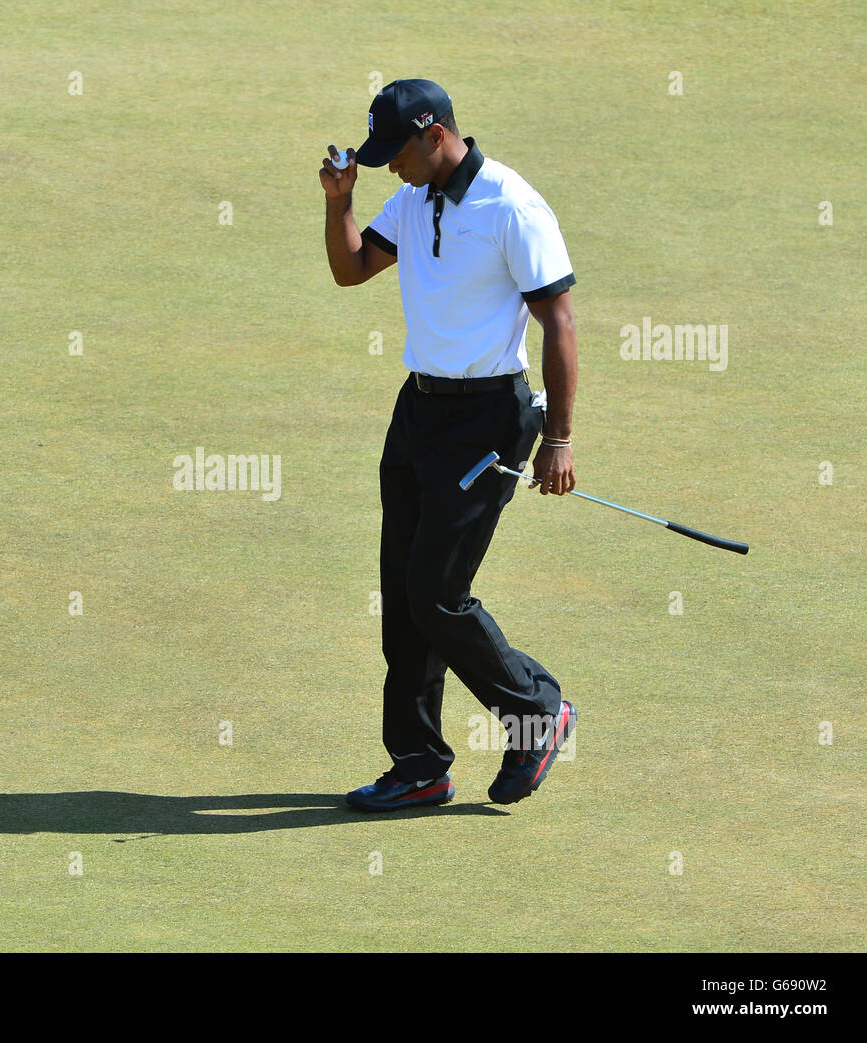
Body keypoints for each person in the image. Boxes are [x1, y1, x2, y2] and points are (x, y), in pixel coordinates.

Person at [321, 79, 578, 810]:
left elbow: (558, 323)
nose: (388, 167)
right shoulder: (411, 200)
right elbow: (351, 269)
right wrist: (340, 202)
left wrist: (558, 438)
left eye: (394, 152)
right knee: (402, 593)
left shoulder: (509, 205)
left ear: (435, 135)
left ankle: (535, 708)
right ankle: (418, 763)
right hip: (419, 412)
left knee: (436, 591)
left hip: (489, 420)